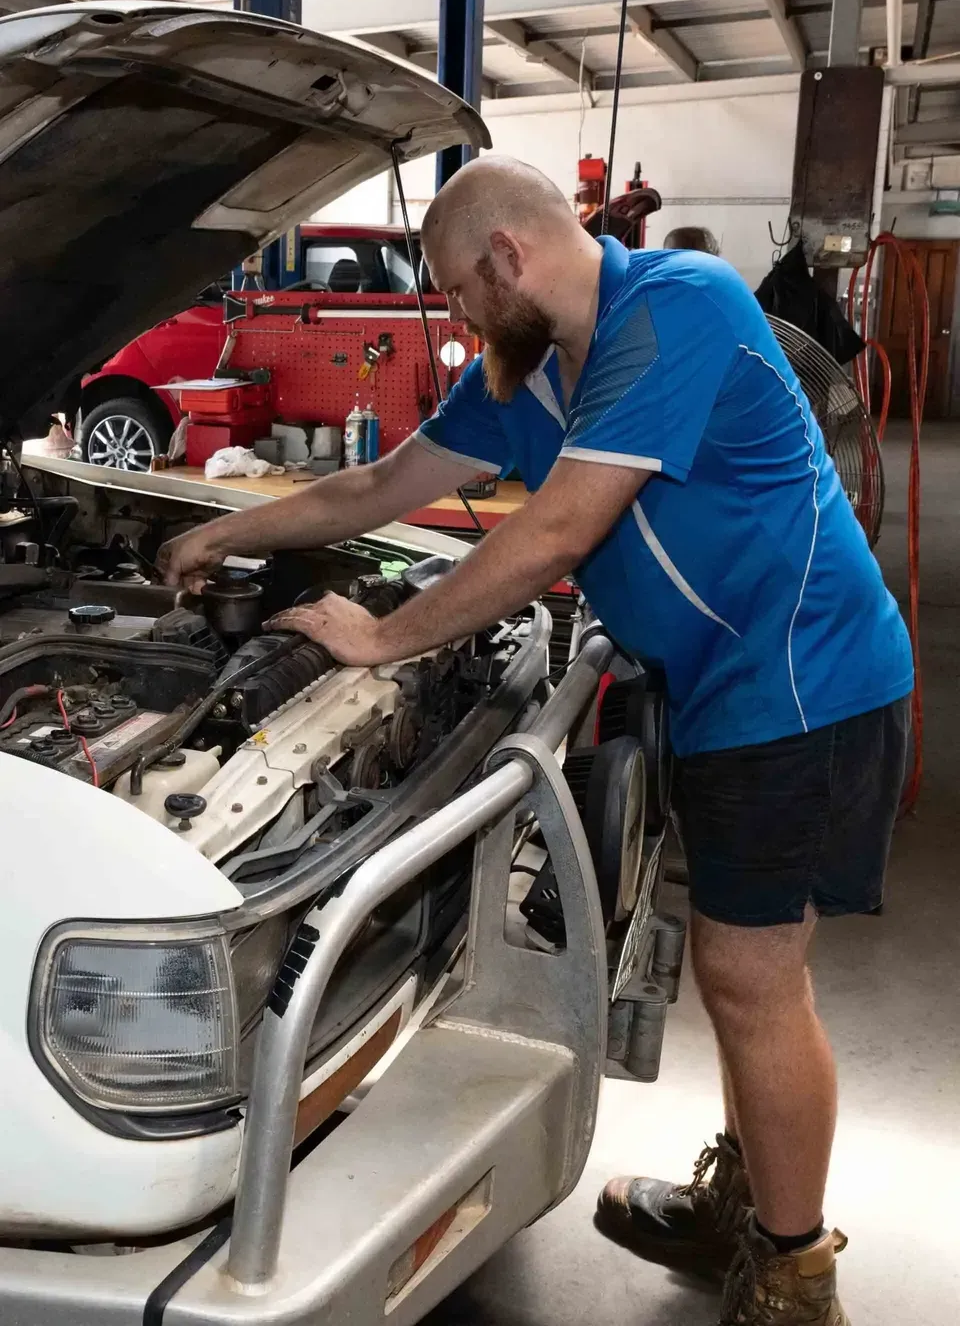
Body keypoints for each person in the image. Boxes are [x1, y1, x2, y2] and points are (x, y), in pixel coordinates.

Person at [159, 156, 912, 1326]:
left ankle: (795, 1269)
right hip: (725, 689)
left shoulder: (678, 306)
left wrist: (384, 640)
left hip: (803, 688)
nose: (457, 322)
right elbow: (382, 482)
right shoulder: (525, 374)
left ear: (507, 259)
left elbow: (562, 525)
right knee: (744, 972)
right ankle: (753, 1201)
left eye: (458, 294)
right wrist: (228, 534)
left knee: (752, 979)